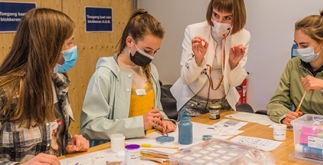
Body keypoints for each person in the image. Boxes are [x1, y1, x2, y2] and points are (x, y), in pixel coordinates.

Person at [0, 8, 88, 165]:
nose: (73, 48)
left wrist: (68, 143)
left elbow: (51, 136)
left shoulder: (58, 82)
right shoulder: (5, 93)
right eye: (69, 43)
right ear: (48, 47)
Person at [80, 9, 177, 146]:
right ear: (130, 41)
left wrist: (164, 120)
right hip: (118, 151)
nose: (151, 57)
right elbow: (90, 127)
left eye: (155, 51)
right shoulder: (104, 75)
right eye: (147, 50)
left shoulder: (151, 71)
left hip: (151, 145)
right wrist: (138, 124)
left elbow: (157, 110)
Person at [267, 9, 323, 127]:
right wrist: (285, 116)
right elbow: (276, 103)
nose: (299, 49)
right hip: (301, 131)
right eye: (297, 44)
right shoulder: (293, 65)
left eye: (304, 45)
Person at [170, 0, 250, 119]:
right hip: (192, 103)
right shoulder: (193, 31)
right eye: (216, 15)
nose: (219, 22)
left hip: (224, 105)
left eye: (227, 18)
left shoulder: (243, 36)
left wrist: (234, 64)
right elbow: (186, 79)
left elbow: (235, 82)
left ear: (237, 17)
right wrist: (197, 59)